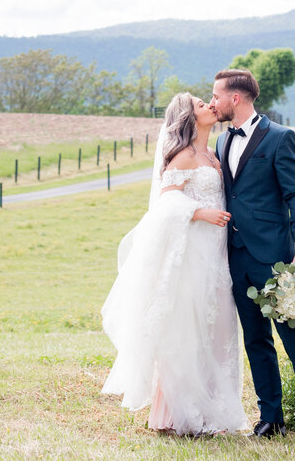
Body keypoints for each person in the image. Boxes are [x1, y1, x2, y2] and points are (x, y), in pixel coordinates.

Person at [101, 93, 248, 436]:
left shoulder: (212, 154)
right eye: (201, 105)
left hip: (218, 253)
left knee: (218, 328)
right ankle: (182, 411)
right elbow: (166, 206)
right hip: (193, 253)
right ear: (189, 118)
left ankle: (217, 409)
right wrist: (201, 212)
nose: (211, 106)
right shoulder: (182, 156)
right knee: (189, 329)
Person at [210, 68, 295, 449]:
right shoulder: (220, 141)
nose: (212, 102)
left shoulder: (280, 137)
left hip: (274, 257)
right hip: (237, 256)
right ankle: (271, 418)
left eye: (216, 95)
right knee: (256, 341)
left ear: (236, 98)